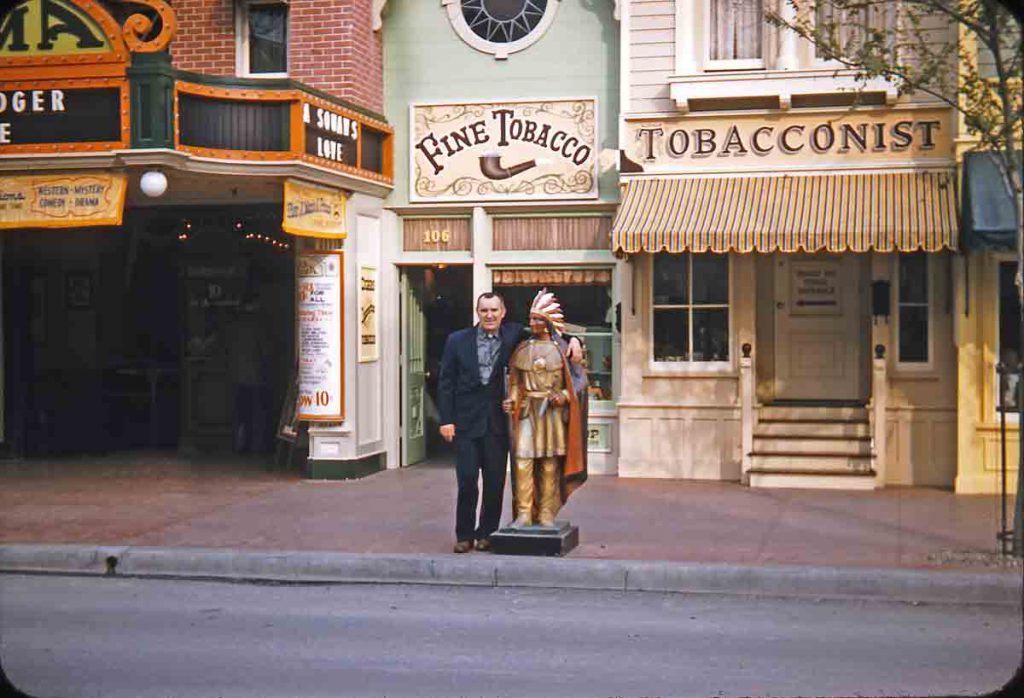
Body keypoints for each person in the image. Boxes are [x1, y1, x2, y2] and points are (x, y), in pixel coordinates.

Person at [437, 291, 582, 553]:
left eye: (494, 310)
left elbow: (547, 331)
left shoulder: (514, 335)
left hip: (497, 423)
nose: (489, 315)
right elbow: (446, 382)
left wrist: (575, 340)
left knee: (494, 482)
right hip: (466, 423)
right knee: (467, 480)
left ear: (503, 313)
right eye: (484, 310)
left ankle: (487, 534)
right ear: (477, 312)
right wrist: (446, 420)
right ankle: (464, 534)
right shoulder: (457, 341)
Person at [502, 289, 588, 527]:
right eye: (532, 318)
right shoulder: (521, 349)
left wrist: (562, 394)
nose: (534, 323)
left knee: (550, 464)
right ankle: (524, 513)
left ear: (549, 322)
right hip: (528, 413)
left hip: (552, 414)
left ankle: (547, 513)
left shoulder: (563, 350)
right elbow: (517, 382)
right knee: (522, 461)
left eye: (539, 319)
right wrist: (513, 399)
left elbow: (580, 382)